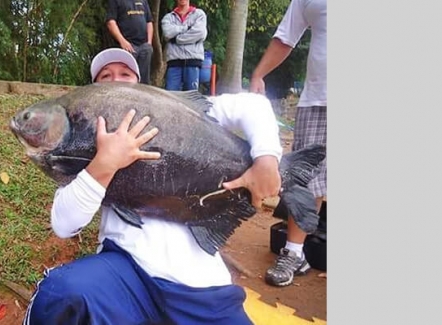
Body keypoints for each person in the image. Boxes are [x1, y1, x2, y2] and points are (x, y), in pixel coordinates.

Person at [23, 48, 283, 324]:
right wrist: (104, 164)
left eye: (125, 74)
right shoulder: (81, 158)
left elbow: (254, 106)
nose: (116, 80)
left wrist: (267, 159)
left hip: (204, 290)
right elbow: (64, 225)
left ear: (140, 83)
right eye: (105, 76)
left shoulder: (176, 113)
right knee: (60, 294)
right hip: (126, 278)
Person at [249, 0, 326, 287]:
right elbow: (286, 36)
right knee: (306, 178)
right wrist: (258, 74)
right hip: (319, 98)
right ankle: (295, 252)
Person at [161, 0, 208, 91]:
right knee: (171, 97)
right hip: (174, 63)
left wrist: (176, 39)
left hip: (193, 62)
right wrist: (187, 28)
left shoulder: (199, 14)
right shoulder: (168, 18)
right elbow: (167, 33)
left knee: (191, 98)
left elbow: (200, 33)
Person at [105, 0, 154, 84]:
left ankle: (142, 96)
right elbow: (111, 22)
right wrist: (122, 41)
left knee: (144, 82)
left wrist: (149, 42)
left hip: (144, 46)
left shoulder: (143, 1)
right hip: (127, 46)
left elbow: (149, 22)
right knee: (127, 80)